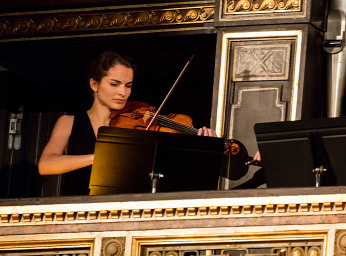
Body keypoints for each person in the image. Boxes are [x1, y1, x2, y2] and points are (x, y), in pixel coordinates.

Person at [38, 51, 215, 195]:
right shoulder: (68, 122)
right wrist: (101, 157)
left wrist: (202, 143)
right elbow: (46, 165)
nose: (123, 92)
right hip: (80, 209)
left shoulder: (138, 124)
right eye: (115, 84)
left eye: (128, 85)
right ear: (94, 84)